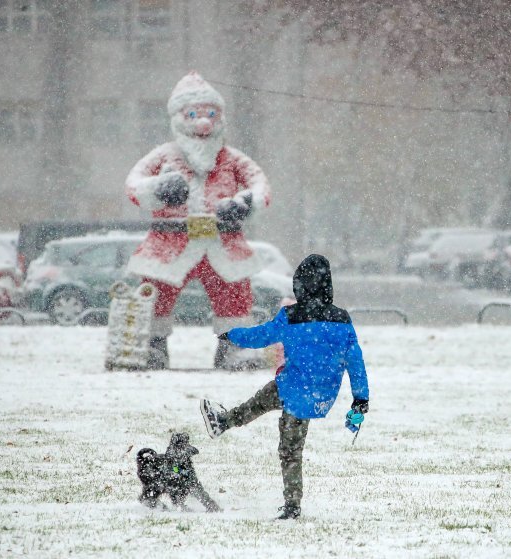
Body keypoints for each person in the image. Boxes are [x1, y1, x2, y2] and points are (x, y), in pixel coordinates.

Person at [200, 254, 370, 520]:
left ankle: (292, 505)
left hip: (298, 392)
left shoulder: (291, 316)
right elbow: (355, 362)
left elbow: (262, 336)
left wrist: (231, 335)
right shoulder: (341, 320)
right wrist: (361, 398)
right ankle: (223, 422)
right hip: (316, 392)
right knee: (263, 399)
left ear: (299, 285)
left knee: (290, 449)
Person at [125, 71, 271, 370]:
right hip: (170, 242)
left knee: (234, 291)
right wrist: (158, 190)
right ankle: (151, 345)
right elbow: (134, 184)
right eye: (193, 114)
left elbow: (260, 184)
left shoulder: (232, 159)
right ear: (178, 118)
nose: (203, 123)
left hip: (223, 241)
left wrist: (245, 203)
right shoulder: (162, 156)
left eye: (211, 114)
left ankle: (235, 345)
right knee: (155, 292)